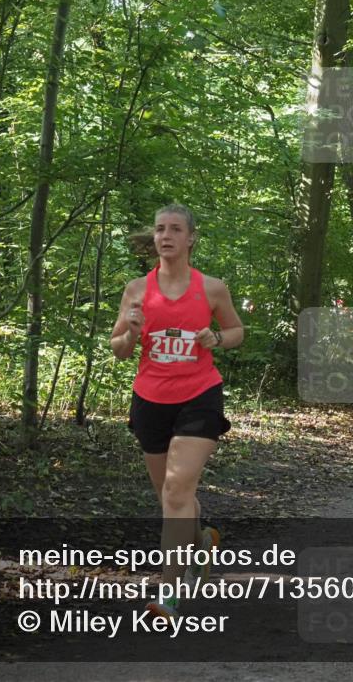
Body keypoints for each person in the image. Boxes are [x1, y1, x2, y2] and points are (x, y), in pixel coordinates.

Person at [110, 204, 244, 621]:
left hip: (199, 396)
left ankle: (169, 590)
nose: (165, 236)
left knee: (175, 492)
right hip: (150, 399)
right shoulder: (136, 289)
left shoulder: (212, 289)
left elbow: (237, 332)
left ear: (191, 238)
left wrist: (215, 338)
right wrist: (130, 332)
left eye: (175, 229)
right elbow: (118, 351)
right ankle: (202, 541)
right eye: (159, 229)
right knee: (171, 497)